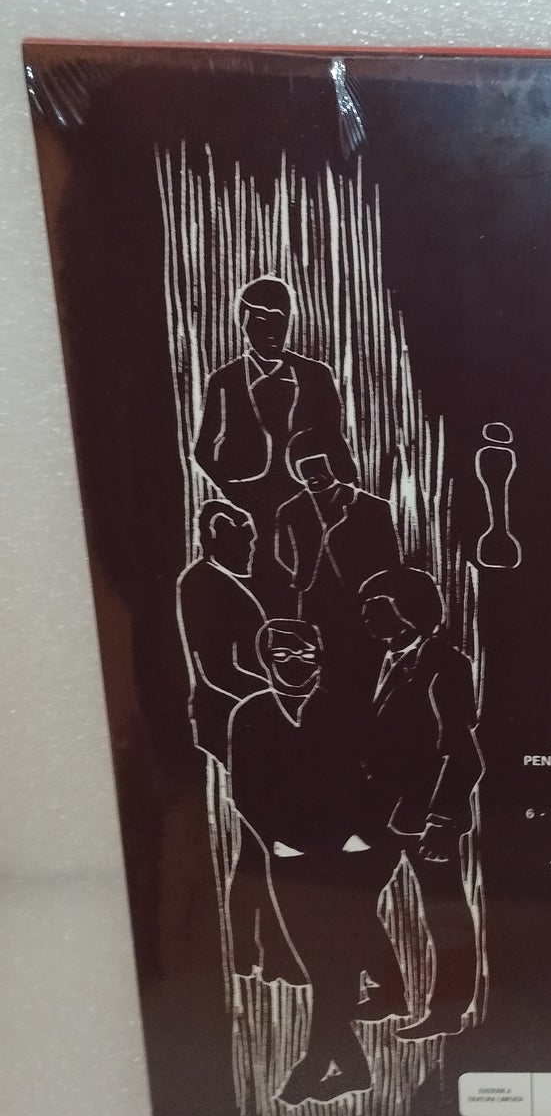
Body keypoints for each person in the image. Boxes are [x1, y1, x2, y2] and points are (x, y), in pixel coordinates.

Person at [228, 619, 408, 1105]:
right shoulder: (250, 713)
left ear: (320, 658)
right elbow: (244, 791)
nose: (296, 665)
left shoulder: (343, 708)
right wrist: (276, 840)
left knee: (334, 965)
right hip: (289, 855)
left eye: (306, 655)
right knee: (320, 958)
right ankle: (354, 1068)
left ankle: (314, 1066)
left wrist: (361, 833)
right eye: (284, 656)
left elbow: (383, 773)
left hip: (348, 852)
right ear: (266, 661)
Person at [360, 568, 484, 1039]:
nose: (366, 617)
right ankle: (389, 992)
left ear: (408, 610)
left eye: (377, 608)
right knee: (350, 898)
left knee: (444, 912)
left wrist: (441, 820)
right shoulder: (384, 660)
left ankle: (448, 1010)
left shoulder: (446, 664)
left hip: (428, 814)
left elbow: (463, 753)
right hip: (382, 811)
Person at [194, 276, 356, 608]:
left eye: (278, 321)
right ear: (243, 323)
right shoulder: (224, 380)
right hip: (254, 501)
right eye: (259, 321)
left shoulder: (316, 375)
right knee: (264, 582)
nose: (270, 331)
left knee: (317, 587)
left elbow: (333, 437)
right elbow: (203, 450)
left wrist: (347, 487)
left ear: (289, 322)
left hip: (309, 497)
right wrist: (235, 490)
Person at [275, 432, 400, 700]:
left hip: (365, 612)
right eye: (303, 467)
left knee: (368, 682)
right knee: (328, 683)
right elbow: (285, 560)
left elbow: (390, 565)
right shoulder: (292, 511)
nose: (311, 474)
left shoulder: (374, 508)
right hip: (318, 614)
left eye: (318, 464)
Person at [175, 501, 266, 766]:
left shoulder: (219, 581)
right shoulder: (206, 584)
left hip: (236, 713)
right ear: (217, 540)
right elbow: (218, 671)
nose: (251, 549)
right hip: (226, 715)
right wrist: (272, 697)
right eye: (244, 541)